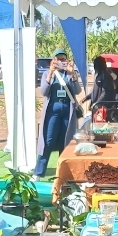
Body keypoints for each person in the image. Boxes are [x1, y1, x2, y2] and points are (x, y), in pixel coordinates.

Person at [34, 48, 81, 179]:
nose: (61, 61)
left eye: (63, 59)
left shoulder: (70, 74)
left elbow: (77, 91)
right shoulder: (48, 74)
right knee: (48, 140)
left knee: (65, 141)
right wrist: (50, 73)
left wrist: (73, 75)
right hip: (52, 110)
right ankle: (38, 172)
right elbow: (43, 91)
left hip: (67, 109)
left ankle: (62, 173)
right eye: (58, 59)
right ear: (53, 60)